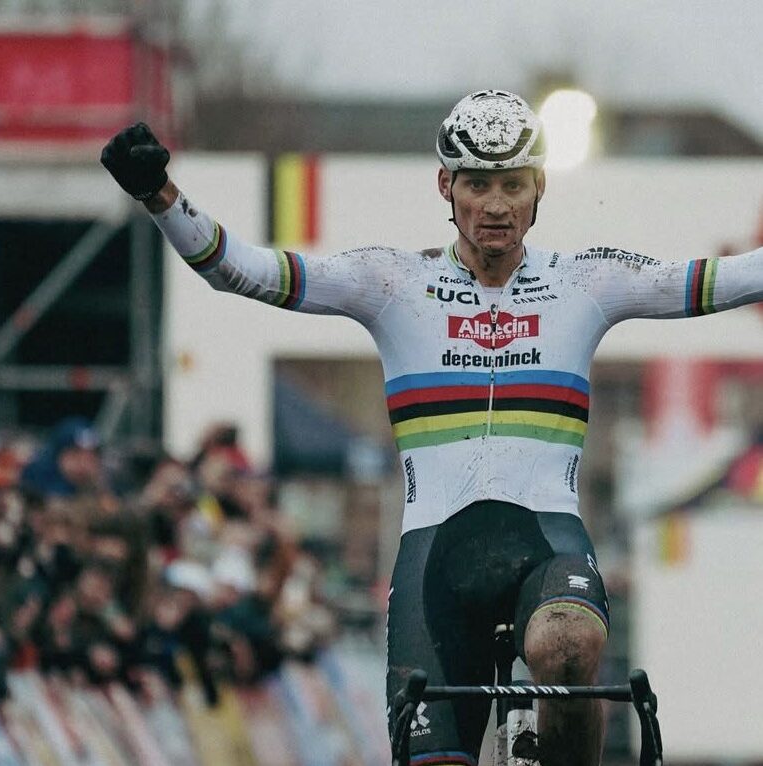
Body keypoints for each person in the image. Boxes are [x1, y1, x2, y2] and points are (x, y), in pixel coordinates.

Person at [101, 91, 763, 766]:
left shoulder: (588, 280)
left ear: (540, 187)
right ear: (446, 185)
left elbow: (727, 280)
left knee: (568, 648)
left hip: (548, 544)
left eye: (513, 184)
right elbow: (243, 272)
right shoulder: (392, 280)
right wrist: (162, 197)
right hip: (435, 561)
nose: (497, 205)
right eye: (478, 184)